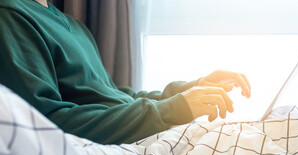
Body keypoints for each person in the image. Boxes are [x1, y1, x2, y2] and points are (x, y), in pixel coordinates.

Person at [0, 0, 251, 144]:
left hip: (143, 136)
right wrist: (173, 109)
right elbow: (48, 124)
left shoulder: (74, 26)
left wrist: (191, 89)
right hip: (124, 148)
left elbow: (117, 96)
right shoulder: (11, 16)